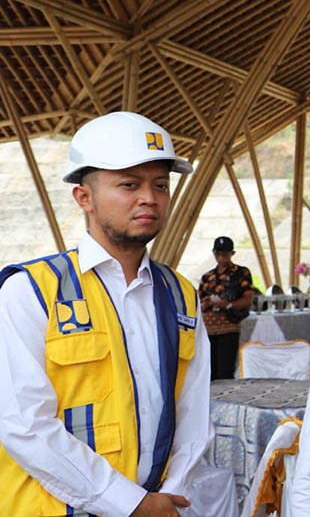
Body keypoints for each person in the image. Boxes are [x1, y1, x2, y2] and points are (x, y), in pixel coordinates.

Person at [0, 111, 211, 517]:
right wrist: (130, 504)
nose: (149, 197)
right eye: (129, 184)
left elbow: (193, 411)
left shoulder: (182, 296)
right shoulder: (30, 292)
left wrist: (172, 494)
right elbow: (25, 425)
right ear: (84, 197)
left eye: (161, 184)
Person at [198, 236, 256, 380]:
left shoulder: (241, 273)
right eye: (218, 254)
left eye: (225, 253)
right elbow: (198, 300)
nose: (221, 257)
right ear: (214, 253)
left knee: (225, 370)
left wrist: (227, 305)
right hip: (209, 328)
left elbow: (248, 299)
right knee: (209, 371)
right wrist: (205, 304)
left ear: (232, 253)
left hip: (229, 326)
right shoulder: (208, 276)